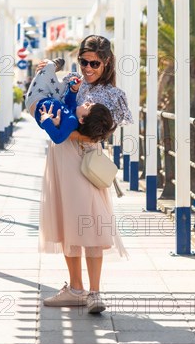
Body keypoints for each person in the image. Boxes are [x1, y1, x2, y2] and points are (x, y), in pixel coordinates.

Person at [38, 35, 133, 314]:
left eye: (94, 63)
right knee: (67, 222)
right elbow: (43, 100)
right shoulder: (72, 83)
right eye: (83, 61)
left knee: (90, 223)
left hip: (85, 161)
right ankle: (76, 288)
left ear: (106, 63)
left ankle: (95, 292)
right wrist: (45, 72)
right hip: (60, 160)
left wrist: (67, 130)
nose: (88, 68)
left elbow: (102, 132)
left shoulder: (114, 95)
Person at [25, 58, 115, 144]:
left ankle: (52, 66)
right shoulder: (74, 112)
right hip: (48, 98)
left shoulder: (71, 121)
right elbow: (69, 101)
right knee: (69, 80)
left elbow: (58, 138)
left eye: (88, 106)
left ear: (82, 120)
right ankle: (47, 72)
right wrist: (73, 90)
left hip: (36, 100)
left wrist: (46, 120)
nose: (87, 103)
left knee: (48, 66)